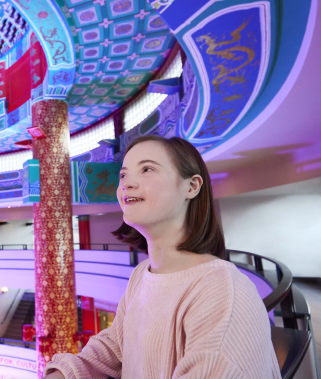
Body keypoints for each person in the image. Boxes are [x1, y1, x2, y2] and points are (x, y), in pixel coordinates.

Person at [42, 135, 281, 379]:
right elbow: (116, 344)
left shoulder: (222, 291)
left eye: (147, 169)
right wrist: (64, 374)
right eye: (123, 175)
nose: (126, 183)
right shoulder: (142, 274)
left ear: (192, 186)